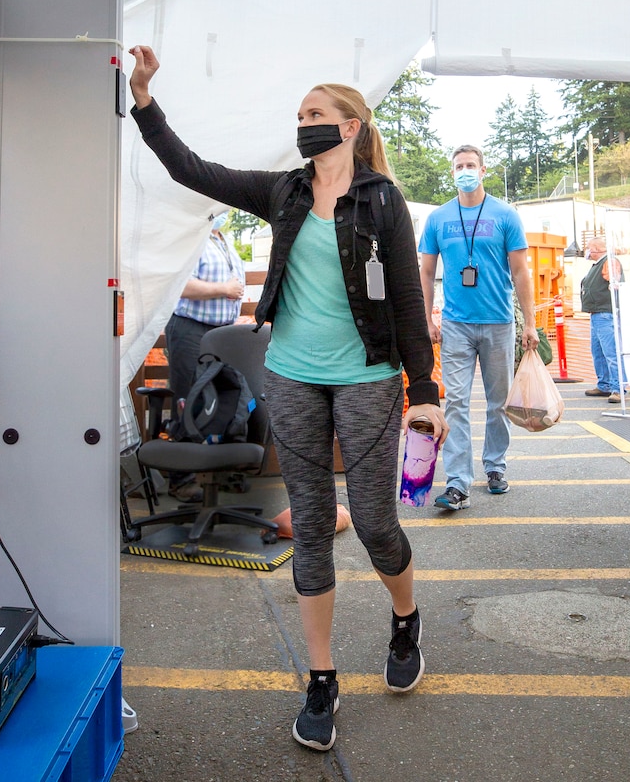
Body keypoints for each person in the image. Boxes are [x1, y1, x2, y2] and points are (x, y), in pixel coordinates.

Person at [128, 44, 447, 753]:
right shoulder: (284, 192)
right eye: (299, 114)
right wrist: (145, 102)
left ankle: (404, 619)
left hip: (368, 377)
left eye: (316, 114)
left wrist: (423, 392)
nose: (303, 123)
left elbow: (404, 297)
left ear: (352, 126)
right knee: (308, 524)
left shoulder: (382, 200)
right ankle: (322, 682)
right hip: (294, 376)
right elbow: (193, 170)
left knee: (371, 522)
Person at [418, 145, 538, 512]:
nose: (465, 171)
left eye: (471, 165)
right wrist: (427, 317)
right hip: (455, 324)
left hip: (499, 322)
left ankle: (496, 467)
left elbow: (520, 272)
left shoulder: (505, 215)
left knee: (498, 403)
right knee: (454, 402)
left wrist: (530, 323)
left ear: (483, 170)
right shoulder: (439, 218)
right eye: (459, 166)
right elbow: (425, 271)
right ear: (451, 172)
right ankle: (457, 483)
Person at [164, 212, 246, 503]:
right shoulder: (190, 236)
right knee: (188, 401)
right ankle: (181, 479)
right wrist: (223, 289)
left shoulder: (221, 238)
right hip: (191, 329)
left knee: (225, 400)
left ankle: (222, 474)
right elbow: (179, 284)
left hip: (221, 333)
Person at [580, 236, 624, 404]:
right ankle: (605, 384)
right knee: (598, 352)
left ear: (596, 249)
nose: (587, 251)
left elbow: (614, 280)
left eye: (589, 248)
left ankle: (617, 388)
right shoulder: (600, 264)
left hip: (605, 313)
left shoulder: (609, 261)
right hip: (598, 314)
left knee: (611, 352)